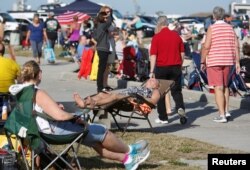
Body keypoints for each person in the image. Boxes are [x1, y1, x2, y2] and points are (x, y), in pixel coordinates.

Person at [9, 60, 150, 170]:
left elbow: (35, 111)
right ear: (38, 74)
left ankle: (127, 159)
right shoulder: (37, 92)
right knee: (98, 130)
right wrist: (77, 116)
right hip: (53, 133)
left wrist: (55, 108)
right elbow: (61, 116)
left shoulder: (21, 92)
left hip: (39, 132)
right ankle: (131, 150)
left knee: (92, 138)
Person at [201, 6, 240, 123]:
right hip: (228, 60)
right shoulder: (230, 28)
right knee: (225, 86)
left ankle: (221, 115)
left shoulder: (211, 28)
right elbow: (236, 46)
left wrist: (202, 61)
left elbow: (206, 46)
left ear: (214, 16)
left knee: (218, 87)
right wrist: (237, 61)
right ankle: (227, 110)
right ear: (223, 16)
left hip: (215, 61)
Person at [150, 16, 186, 124]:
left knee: (160, 92)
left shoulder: (157, 37)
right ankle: (180, 108)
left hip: (162, 68)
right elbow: (182, 53)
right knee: (176, 91)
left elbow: (153, 55)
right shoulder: (176, 36)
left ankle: (163, 117)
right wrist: (180, 64)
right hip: (175, 67)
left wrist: (151, 71)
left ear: (159, 25)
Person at [73, 77, 161, 108]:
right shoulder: (141, 87)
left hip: (132, 100)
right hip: (124, 96)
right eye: (149, 79)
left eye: (153, 81)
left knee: (114, 96)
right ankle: (84, 103)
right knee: (101, 94)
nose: (150, 80)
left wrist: (139, 97)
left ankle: (94, 102)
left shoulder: (155, 91)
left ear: (155, 86)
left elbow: (153, 102)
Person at [93, 6, 113, 93]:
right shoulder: (103, 26)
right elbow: (109, 21)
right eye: (105, 17)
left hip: (100, 49)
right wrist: (110, 14)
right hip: (103, 49)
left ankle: (100, 87)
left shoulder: (98, 26)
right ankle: (100, 88)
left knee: (101, 68)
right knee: (101, 69)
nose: (106, 18)